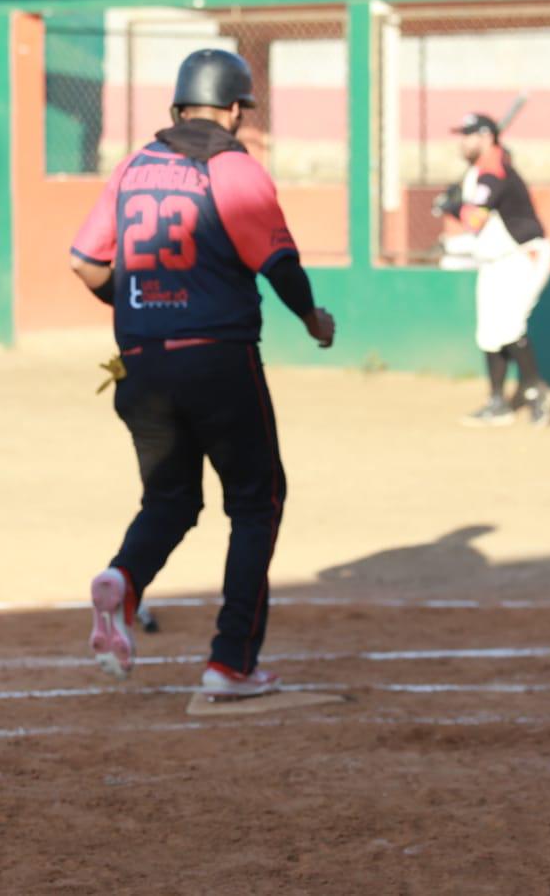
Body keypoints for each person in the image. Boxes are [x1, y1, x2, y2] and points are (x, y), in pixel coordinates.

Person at [68, 48, 336, 698]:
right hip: (218, 359)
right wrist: (310, 316)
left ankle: (124, 580)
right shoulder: (232, 167)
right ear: (236, 107)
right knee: (255, 504)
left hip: (139, 363)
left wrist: (136, 304)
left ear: (178, 104)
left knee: (170, 499)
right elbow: (277, 264)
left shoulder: (134, 166)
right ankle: (230, 664)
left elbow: (85, 263)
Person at [437, 112, 550, 427]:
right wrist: (458, 200)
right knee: (489, 332)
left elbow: (473, 220)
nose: (463, 141)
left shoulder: (493, 168)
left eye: (470, 134)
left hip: (522, 255)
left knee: (509, 325)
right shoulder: (480, 171)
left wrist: (451, 205)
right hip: (494, 259)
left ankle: (536, 391)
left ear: (487, 137)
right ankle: (497, 402)